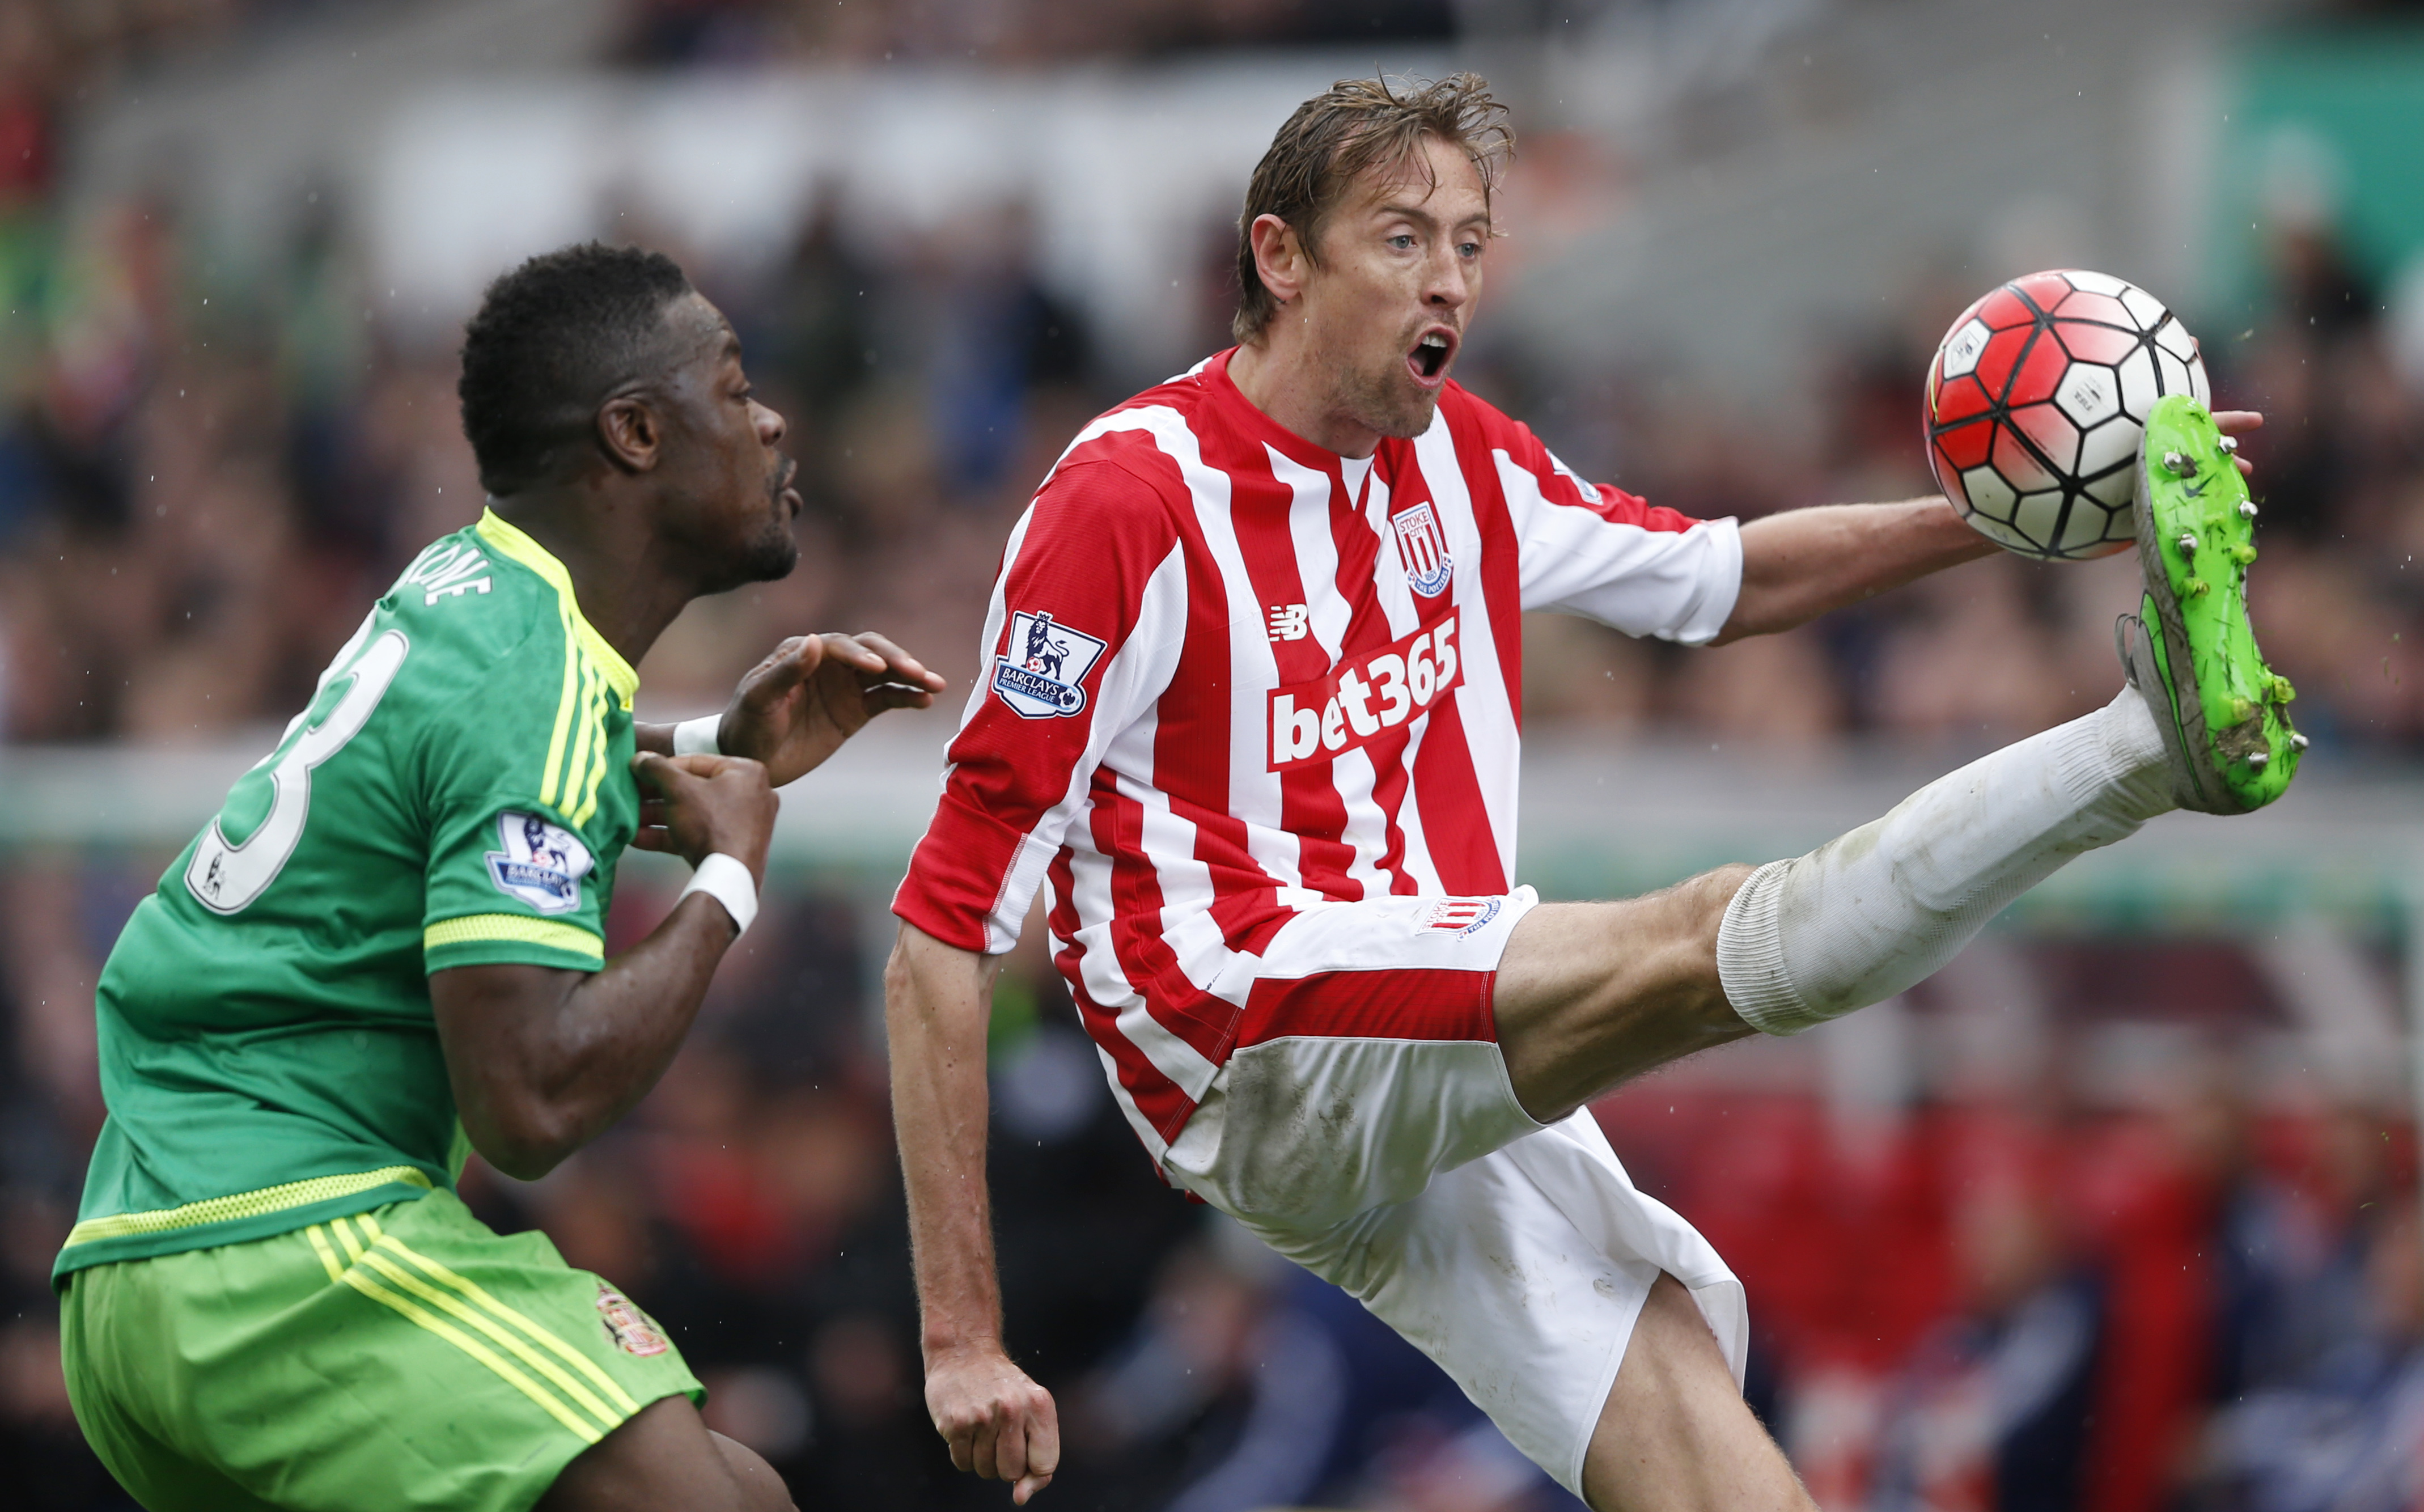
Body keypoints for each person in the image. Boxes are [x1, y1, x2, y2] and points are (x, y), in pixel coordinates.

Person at [883, 73, 2295, 1512]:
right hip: (1245, 1030)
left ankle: (2149, 743)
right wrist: (959, 1337)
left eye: (1472, 245)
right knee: (1699, 941)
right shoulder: (1124, 502)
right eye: (1402, 239)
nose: (1449, 281)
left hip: (1415, 1040)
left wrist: (2006, 507)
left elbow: (1721, 578)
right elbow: (939, 931)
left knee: (1707, 1450)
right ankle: (2144, 749)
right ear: (1279, 255)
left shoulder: (1463, 460)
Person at [54, 243, 945, 1512]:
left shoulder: (471, 585)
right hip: (280, 1247)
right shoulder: (532, 674)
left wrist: (709, 752)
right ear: (635, 433)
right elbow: (526, 1100)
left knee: (744, 1491)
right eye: (734, 387)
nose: (770, 419)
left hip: (153, 1255)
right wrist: (726, 884)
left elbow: (456, 783)